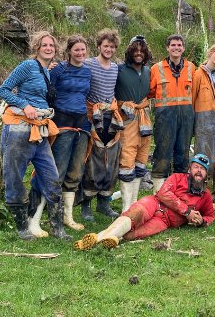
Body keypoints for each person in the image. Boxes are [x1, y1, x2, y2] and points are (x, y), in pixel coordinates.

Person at [0, 31, 71, 241]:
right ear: (36, 48)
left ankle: (57, 229)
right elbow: (3, 90)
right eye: (44, 45)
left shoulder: (45, 71)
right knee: (15, 178)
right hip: (19, 128)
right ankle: (22, 228)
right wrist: (24, 105)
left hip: (39, 129)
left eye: (52, 46)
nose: (48, 48)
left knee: (51, 177)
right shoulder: (27, 66)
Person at [73, 155, 215, 251]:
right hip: (155, 203)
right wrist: (188, 212)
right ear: (190, 169)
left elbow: (210, 215)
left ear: (206, 174)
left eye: (202, 169)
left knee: (134, 234)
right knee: (136, 214)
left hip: (164, 222)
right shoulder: (177, 177)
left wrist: (201, 221)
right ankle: (98, 238)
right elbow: (164, 194)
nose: (199, 171)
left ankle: (97, 240)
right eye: (196, 167)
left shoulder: (205, 195)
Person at [46, 34, 92, 232]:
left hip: (82, 122)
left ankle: (68, 217)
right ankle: (51, 214)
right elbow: (48, 91)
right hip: (62, 121)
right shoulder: (58, 70)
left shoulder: (88, 71)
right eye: (76, 50)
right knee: (58, 170)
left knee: (75, 171)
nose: (80, 53)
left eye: (83, 50)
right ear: (69, 51)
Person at [81, 29, 124, 221]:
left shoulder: (115, 68)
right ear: (99, 46)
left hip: (111, 118)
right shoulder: (88, 63)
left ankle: (104, 203)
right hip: (92, 117)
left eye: (112, 46)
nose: (109, 49)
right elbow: (71, 67)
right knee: (92, 159)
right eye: (105, 45)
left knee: (111, 159)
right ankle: (86, 204)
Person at [149, 34, 196, 193]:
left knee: (183, 155)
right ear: (168, 48)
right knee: (162, 153)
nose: (176, 48)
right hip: (165, 117)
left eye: (179, 45)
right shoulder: (157, 68)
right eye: (173, 45)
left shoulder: (191, 67)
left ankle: (179, 192)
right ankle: (158, 193)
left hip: (186, 116)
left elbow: (195, 93)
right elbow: (149, 92)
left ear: (183, 48)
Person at [115, 35, 153, 212]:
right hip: (126, 120)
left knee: (141, 160)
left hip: (144, 119)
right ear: (129, 52)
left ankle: (134, 203)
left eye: (142, 51)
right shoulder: (119, 70)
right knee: (127, 159)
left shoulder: (148, 71)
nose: (139, 53)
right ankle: (125, 207)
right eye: (135, 50)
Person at [192, 42, 215, 204]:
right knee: (204, 157)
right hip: (203, 119)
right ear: (210, 53)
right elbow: (192, 99)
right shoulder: (198, 74)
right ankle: (199, 192)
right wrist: (193, 124)